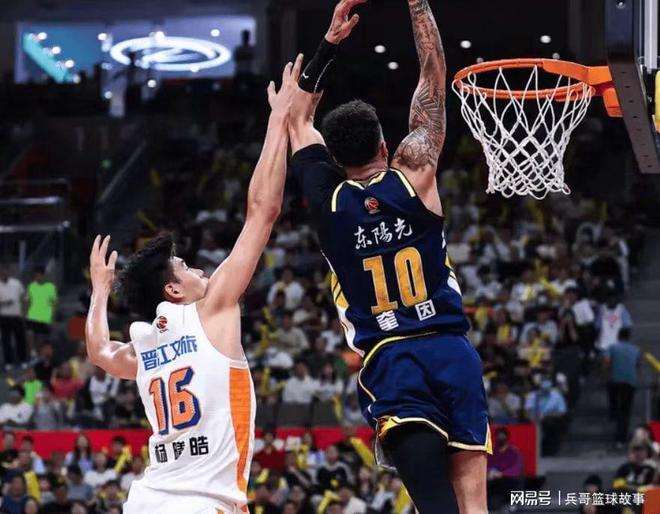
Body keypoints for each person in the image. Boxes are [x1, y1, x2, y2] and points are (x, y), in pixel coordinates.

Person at [288, 1, 488, 512]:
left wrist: (329, 43)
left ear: (333, 159)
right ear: (385, 143)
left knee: (434, 504)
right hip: (451, 350)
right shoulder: (415, 173)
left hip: (392, 360)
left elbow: (297, 117)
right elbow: (433, 76)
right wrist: (418, 4)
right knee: (474, 505)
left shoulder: (327, 201)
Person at [86, 57, 303, 514]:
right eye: (186, 267)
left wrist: (100, 292)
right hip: (205, 504)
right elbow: (262, 211)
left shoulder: (145, 345)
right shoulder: (212, 309)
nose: (201, 271)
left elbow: (100, 352)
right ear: (173, 291)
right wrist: (279, 119)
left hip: (147, 501)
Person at [604, 327, 640, 447]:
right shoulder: (636, 349)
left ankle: (613, 413)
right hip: (630, 382)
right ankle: (621, 438)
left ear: (618, 336)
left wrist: (606, 372)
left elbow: (607, 362)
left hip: (615, 381)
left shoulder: (612, 347)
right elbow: (637, 365)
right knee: (625, 411)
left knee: (616, 403)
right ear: (629, 337)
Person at [0, 267, 27, 369]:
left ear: (9, 272)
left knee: (20, 339)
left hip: (17, 316)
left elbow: (24, 298)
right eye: (2, 273)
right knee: (6, 341)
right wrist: (5, 303)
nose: (4, 275)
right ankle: (8, 362)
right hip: (4, 317)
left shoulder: (17, 283)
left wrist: (24, 312)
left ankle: (23, 360)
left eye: (5, 272)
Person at [25, 266, 57, 348]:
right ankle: (32, 352)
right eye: (35, 275)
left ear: (43, 275)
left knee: (41, 337)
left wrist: (52, 318)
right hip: (32, 315)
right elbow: (28, 301)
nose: (37, 277)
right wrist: (25, 313)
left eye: (39, 275)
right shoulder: (31, 286)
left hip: (44, 317)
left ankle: (38, 351)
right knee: (30, 333)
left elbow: (54, 303)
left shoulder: (50, 287)